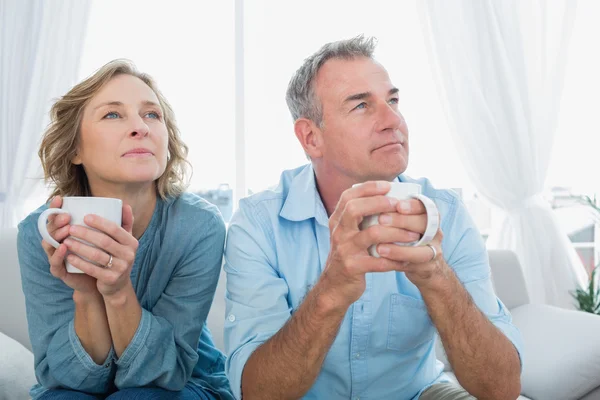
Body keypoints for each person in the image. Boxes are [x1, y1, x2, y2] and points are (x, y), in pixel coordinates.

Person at [223, 36, 523, 400]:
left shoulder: (448, 213)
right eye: (362, 105)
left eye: (393, 101)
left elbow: (501, 389)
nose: (393, 120)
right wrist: (332, 289)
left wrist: (436, 278)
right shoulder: (258, 223)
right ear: (311, 137)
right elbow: (258, 393)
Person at [18, 60, 234, 400]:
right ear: (75, 148)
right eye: (113, 115)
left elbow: (167, 374)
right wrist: (87, 293)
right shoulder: (42, 232)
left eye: (152, 115)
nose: (140, 127)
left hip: (188, 382)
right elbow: (66, 379)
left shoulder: (199, 226)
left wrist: (118, 292)